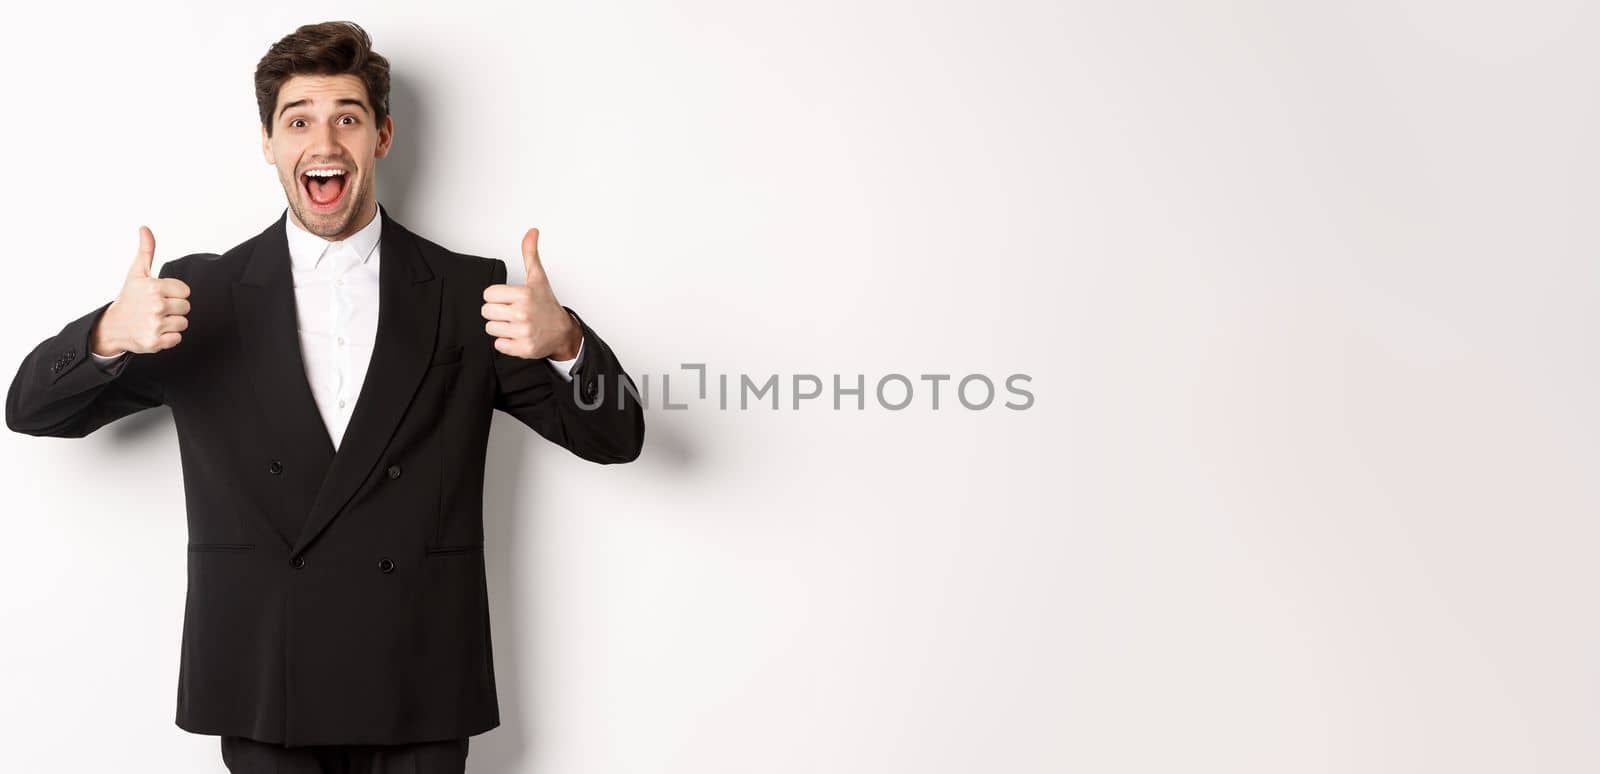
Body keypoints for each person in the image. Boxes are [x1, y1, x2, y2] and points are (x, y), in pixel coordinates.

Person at [4, 20, 646, 774]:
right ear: (270, 143)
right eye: (298, 119)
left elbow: (618, 435)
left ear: (382, 136)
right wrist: (108, 334)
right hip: (263, 673)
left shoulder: (467, 292)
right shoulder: (198, 296)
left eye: (347, 116)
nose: (324, 139)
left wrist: (567, 340)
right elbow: (30, 409)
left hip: (420, 674)